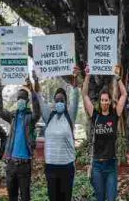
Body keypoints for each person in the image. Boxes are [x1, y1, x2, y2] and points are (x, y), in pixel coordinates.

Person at [82, 65, 127, 201]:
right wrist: (88, 76)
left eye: (106, 100)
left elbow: (124, 94)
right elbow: (84, 94)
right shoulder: (95, 116)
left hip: (111, 165)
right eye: (102, 100)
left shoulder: (115, 115)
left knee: (111, 197)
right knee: (100, 198)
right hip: (97, 165)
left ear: (109, 101)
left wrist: (118, 77)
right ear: (100, 102)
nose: (104, 102)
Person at [0, 73, 41, 201]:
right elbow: (0, 111)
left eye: (22, 98)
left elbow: (37, 112)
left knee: (25, 197)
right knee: (12, 197)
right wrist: (0, 90)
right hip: (11, 164)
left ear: (26, 102)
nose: (20, 101)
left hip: (24, 165)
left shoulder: (30, 118)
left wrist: (32, 91)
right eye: (18, 98)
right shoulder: (13, 116)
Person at [40, 67, 80, 201]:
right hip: (50, 167)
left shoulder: (70, 117)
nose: (59, 103)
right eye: (56, 100)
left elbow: (75, 97)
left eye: (61, 100)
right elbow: (39, 99)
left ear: (65, 102)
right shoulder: (48, 117)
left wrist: (75, 79)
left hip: (66, 168)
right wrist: (34, 82)